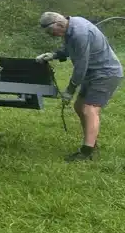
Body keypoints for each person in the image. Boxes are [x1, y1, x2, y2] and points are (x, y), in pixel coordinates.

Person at [36, 12, 123, 161]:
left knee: (90, 109)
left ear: (59, 24)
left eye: (52, 32)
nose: (52, 36)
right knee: (79, 106)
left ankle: (86, 152)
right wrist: (54, 55)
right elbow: (71, 50)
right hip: (92, 73)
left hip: (105, 73)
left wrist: (70, 90)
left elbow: (81, 66)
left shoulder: (79, 33)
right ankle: (92, 143)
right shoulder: (72, 25)